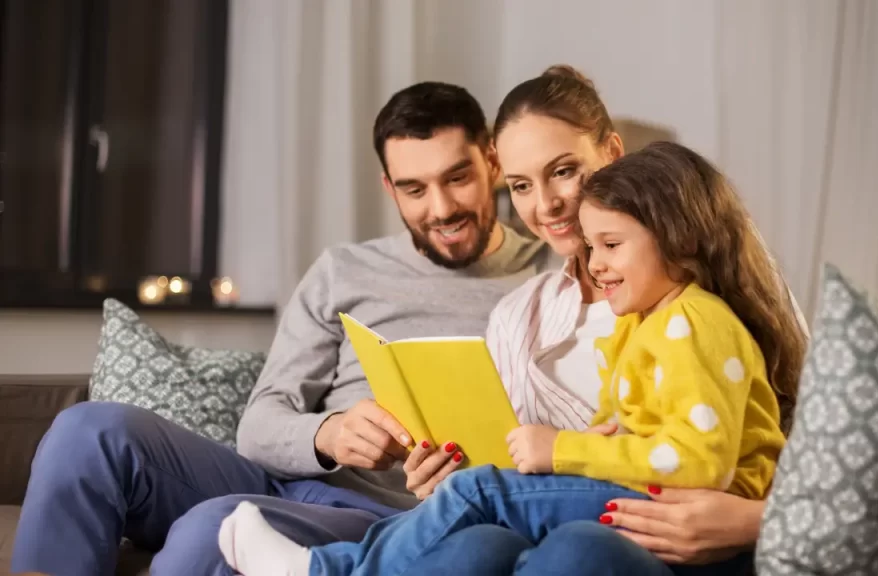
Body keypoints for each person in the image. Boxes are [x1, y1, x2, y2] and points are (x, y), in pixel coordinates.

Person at [10, 81, 552, 576]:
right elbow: (260, 423)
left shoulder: (553, 274)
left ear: (492, 162)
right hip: (292, 480)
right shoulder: (343, 270)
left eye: (457, 178)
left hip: (394, 517)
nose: (442, 208)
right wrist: (329, 434)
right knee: (88, 431)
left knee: (216, 531)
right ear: (389, 188)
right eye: (414, 189)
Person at [218, 139, 806, 576]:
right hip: (650, 498)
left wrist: (564, 449)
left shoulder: (696, 322)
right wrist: (592, 444)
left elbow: (700, 465)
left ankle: (326, 570)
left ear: (681, 240)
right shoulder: (643, 322)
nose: (595, 263)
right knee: (478, 518)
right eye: (590, 246)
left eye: (610, 245)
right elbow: (639, 432)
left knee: (480, 493)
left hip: (694, 515)